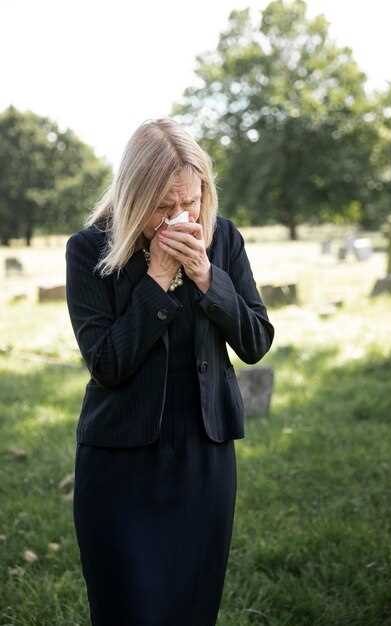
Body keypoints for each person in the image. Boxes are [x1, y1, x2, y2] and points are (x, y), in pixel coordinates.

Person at [65, 117, 275, 626]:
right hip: (120, 461)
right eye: (163, 206)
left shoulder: (224, 239)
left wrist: (208, 277)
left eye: (191, 201)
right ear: (134, 197)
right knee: (126, 608)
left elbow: (256, 341)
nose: (181, 216)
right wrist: (157, 279)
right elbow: (108, 365)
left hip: (205, 456)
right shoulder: (89, 250)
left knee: (191, 606)